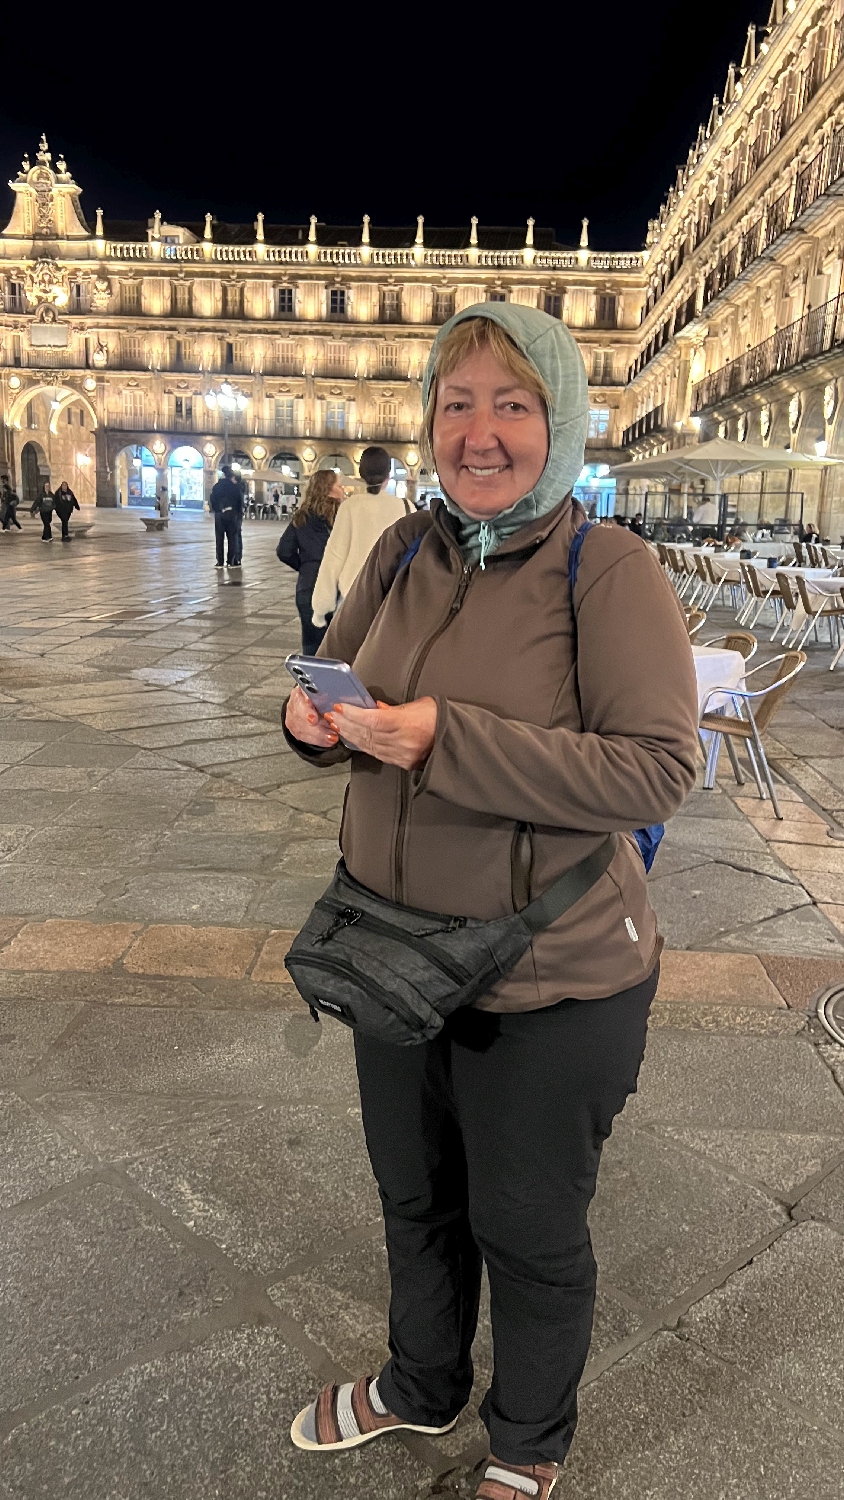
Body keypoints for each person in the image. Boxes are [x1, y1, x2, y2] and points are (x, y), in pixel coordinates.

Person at [281, 304, 699, 1496]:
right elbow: (339, 681)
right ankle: (422, 1386)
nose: (478, 431)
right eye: (455, 402)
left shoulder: (605, 567)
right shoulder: (403, 551)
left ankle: (527, 1439)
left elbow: (659, 767)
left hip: (551, 971)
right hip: (393, 952)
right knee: (412, 1196)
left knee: (524, 1224)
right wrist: (310, 721)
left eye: (511, 404)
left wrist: (445, 741)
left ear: (557, 423)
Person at [310, 449, 412, 628]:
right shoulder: (406, 507)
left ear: (361, 474)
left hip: (353, 602)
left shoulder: (350, 507)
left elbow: (334, 556)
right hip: (392, 603)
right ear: (389, 474)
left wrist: (321, 607)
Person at [276, 469, 344, 653]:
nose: (342, 488)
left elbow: (284, 551)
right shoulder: (342, 516)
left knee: (311, 645)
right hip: (335, 588)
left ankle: (311, 681)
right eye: (338, 485)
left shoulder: (301, 515)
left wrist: (306, 567)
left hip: (307, 587)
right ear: (328, 489)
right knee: (335, 647)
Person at [208, 463, 243, 568]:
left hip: (220, 514)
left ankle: (220, 561)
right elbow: (240, 501)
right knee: (232, 538)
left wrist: (217, 510)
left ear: (223, 475)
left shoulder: (217, 487)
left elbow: (212, 499)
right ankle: (231, 561)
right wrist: (238, 512)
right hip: (232, 515)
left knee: (219, 538)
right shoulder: (235, 487)